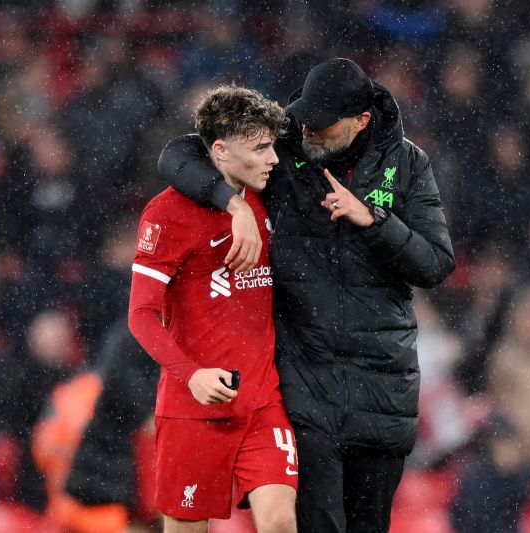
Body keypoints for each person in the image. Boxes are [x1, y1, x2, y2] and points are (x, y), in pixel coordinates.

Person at [158, 58, 456, 533]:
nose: (309, 129)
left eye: (323, 122)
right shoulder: (283, 150)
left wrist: (373, 220)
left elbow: (436, 264)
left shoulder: (407, 164)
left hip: (381, 390)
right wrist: (232, 203)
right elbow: (177, 155)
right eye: (306, 117)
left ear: (361, 121)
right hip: (305, 387)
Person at [128, 86, 297, 533]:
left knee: (281, 521)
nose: (273, 159)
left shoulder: (268, 196)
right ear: (220, 151)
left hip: (262, 401)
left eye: (272, 146)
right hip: (194, 407)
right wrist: (192, 375)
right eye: (260, 149)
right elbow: (140, 315)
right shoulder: (166, 213)